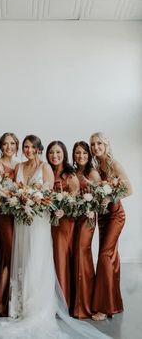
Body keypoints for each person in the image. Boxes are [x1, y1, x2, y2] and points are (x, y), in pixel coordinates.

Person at [0, 135, 111, 339]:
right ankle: (18, 306)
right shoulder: (19, 167)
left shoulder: (45, 167)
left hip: (39, 221)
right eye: (26, 147)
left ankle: (37, 306)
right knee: (21, 258)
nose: (29, 150)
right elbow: (9, 189)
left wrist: (33, 199)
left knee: (36, 260)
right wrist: (14, 197)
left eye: (33, 147)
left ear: (39, 150)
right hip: (21, 221)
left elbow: (48, 195)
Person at [90, 132, 132, 321]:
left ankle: (104, 307)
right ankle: (115, 303)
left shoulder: (114, 164)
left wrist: (110, 197)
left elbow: (129, 189)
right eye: (93, 144)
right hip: (103, 217)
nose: (96, 147)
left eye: (99, 143)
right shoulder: (95, 166)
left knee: (105, 257)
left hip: (115, 215)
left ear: (106, 145)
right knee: (112, 258)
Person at [46, 141, 79, 309]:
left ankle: (63, 302)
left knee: (60, 259)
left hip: (64, 222)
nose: (55, 156)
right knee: (48, 259)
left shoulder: (70, 175)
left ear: (64, 154)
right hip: (47, 223)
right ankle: (49, 300)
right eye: (51, 152)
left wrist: (64, 211)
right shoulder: (47, 171)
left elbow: (76, 200)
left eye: (58, 152)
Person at [71, 141, 101, 318]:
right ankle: (76, 302)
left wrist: (93, 209)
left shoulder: (93, 173)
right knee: (76, 255)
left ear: (89, 155)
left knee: (83, 255)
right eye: (77, 153)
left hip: (88, 218)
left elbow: (99, 198)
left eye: (83, 153)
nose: (80, 156)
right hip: (74, 218)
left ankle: (85, 305)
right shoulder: (75, 172)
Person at [0, 133, 19, 316]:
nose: (9, 147)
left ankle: (13, 301)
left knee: (17, 257)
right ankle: (0, 302)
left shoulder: (19, 165)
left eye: (12, 143)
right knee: (7, 256)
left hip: (16, 215)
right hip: (3, 215)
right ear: (1, 146)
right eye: (5, 144)